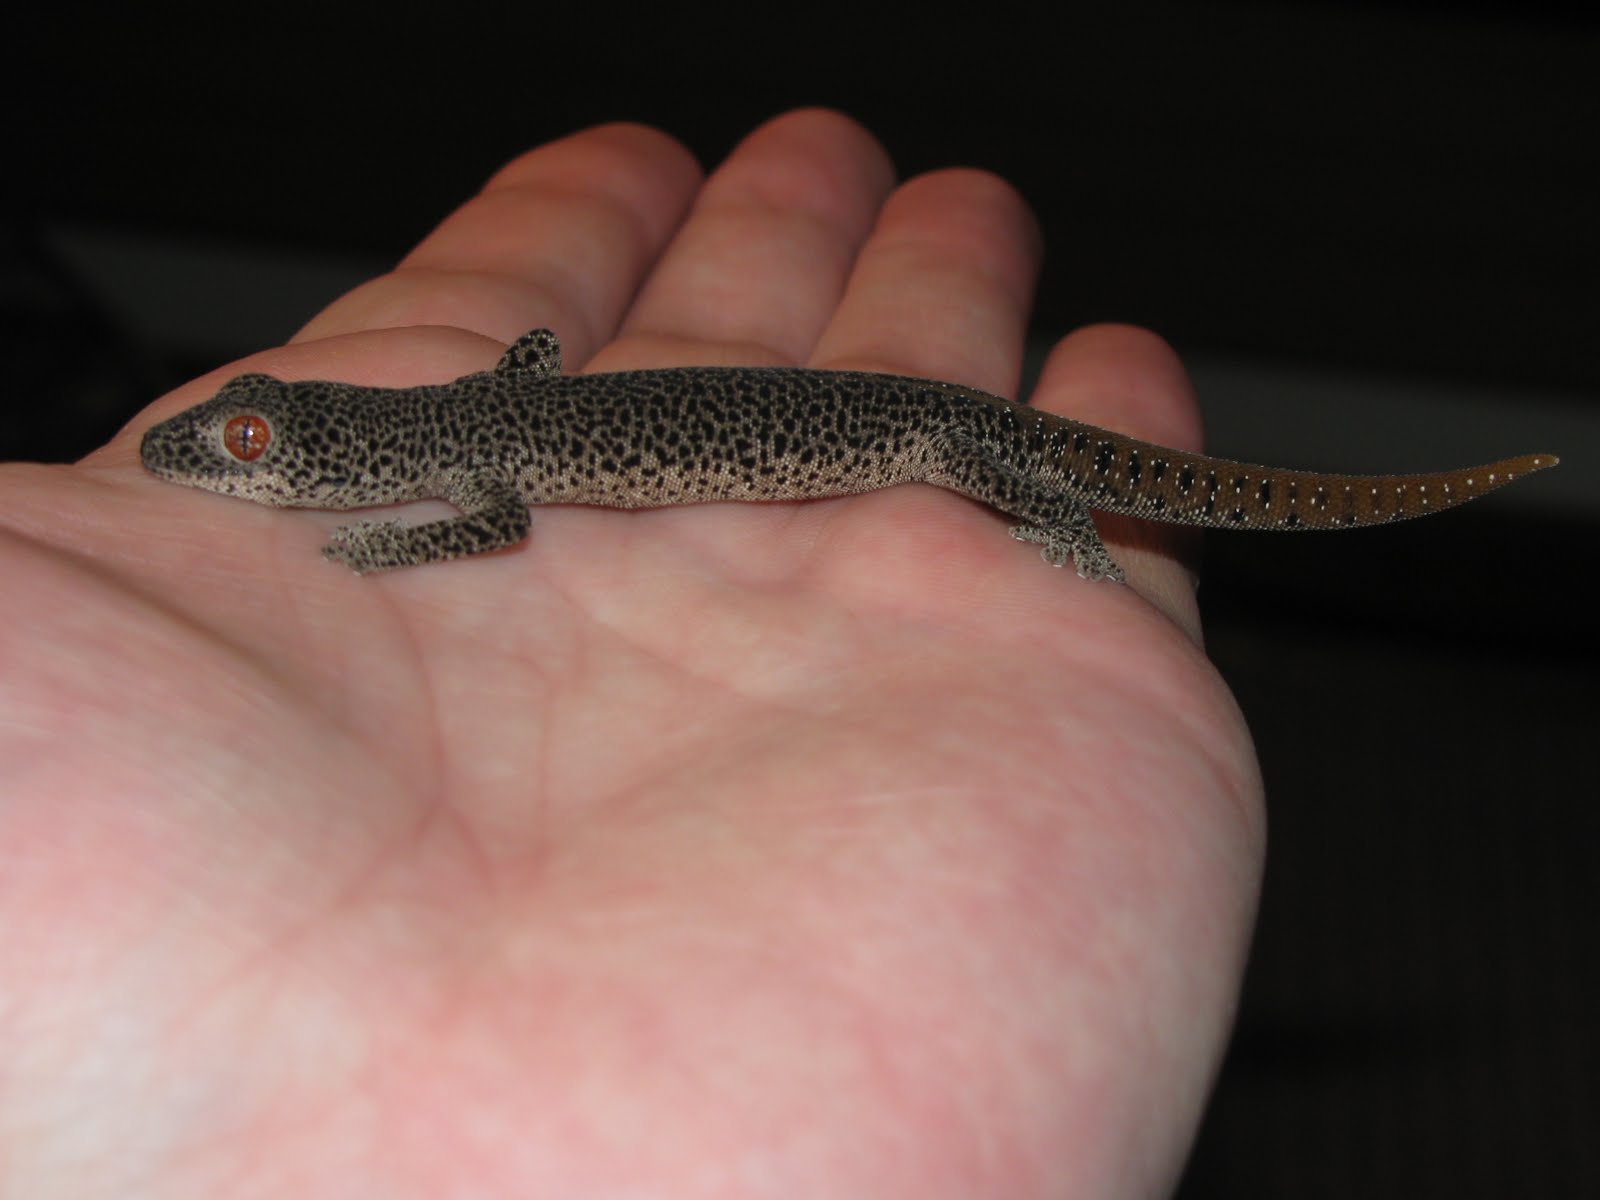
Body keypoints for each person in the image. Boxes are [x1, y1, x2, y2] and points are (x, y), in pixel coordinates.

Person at [0, 108, 1262, 1196]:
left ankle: (1051, 505)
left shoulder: (468, 455)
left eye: (244, 446)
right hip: (848, 411)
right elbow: (536, 360)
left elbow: (497, 520)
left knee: (979, 460)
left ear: (350, 457)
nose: (211, 448)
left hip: (905, 427)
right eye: (240, 438)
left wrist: (391, 555)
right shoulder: (461, 421)